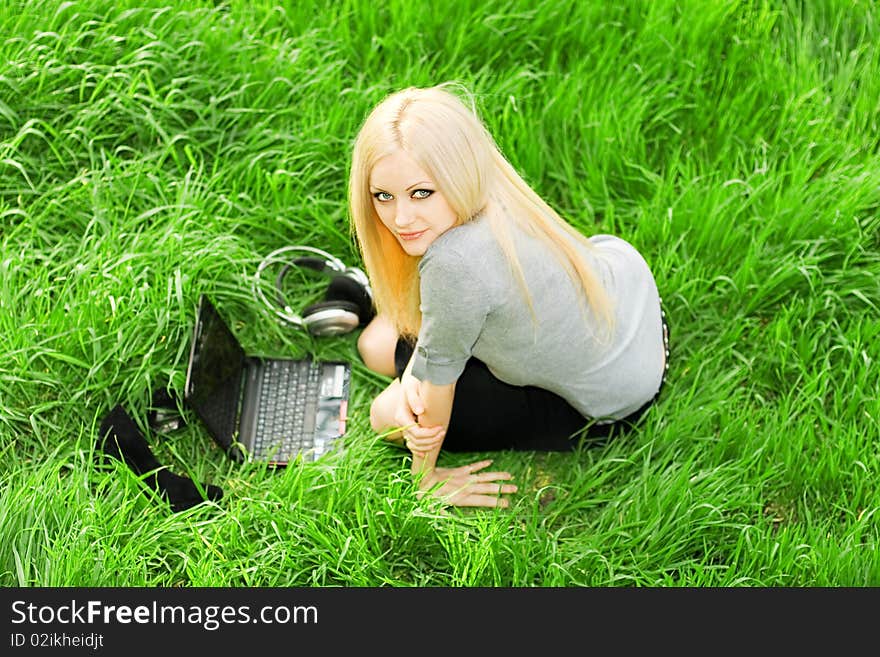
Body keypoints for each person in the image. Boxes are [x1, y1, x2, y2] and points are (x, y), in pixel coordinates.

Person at [349, 83, 669, 509]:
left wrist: (426, 479)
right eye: (383, 197)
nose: (400, 218)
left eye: (421, 192)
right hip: (631, 306)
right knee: (374, 346)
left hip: (610, 398)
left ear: (454, 174)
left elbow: (435, 393)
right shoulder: (488, 185)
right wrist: (419, 371)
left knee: (384, 415)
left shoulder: (454, 264)